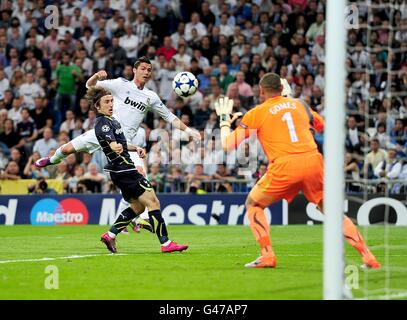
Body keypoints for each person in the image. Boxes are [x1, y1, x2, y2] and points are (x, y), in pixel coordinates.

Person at [215, 73, 380, 269]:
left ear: (261, 91)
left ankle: (267, 255)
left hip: (285, 165)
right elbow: (320, 126)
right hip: (313, 161)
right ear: (282, 89)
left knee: (253, 204)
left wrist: (225, 120)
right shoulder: (300, 104)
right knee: (332, 212)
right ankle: (368, 256)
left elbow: (227, 145)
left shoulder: (257, 112)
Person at [35, 56, 201, 229]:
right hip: (104, 131)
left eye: (149, 70)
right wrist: (96, 76)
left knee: (140, 176)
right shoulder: (121, 84)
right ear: (134, 70)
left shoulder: (150, 96)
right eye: (143, 68)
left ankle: (140, 218)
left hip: (124, 142)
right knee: (68, 149)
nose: (146, 72)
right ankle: (53, 159)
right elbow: (89, 86)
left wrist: (189, 131)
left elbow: (169, 116)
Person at [88, 86, 188, 254]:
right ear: (97, 106)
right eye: (106, 102)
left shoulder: (112, 120)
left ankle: (110, 234)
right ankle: (166, 243)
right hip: (125, 170)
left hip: (120, 171)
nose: (111, 104)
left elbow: (120, 143)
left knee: (138, 207)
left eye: (112, 101)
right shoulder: (103, 123)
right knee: (153, 202)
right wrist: (115, 147)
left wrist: (135, 148)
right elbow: (113, 144)